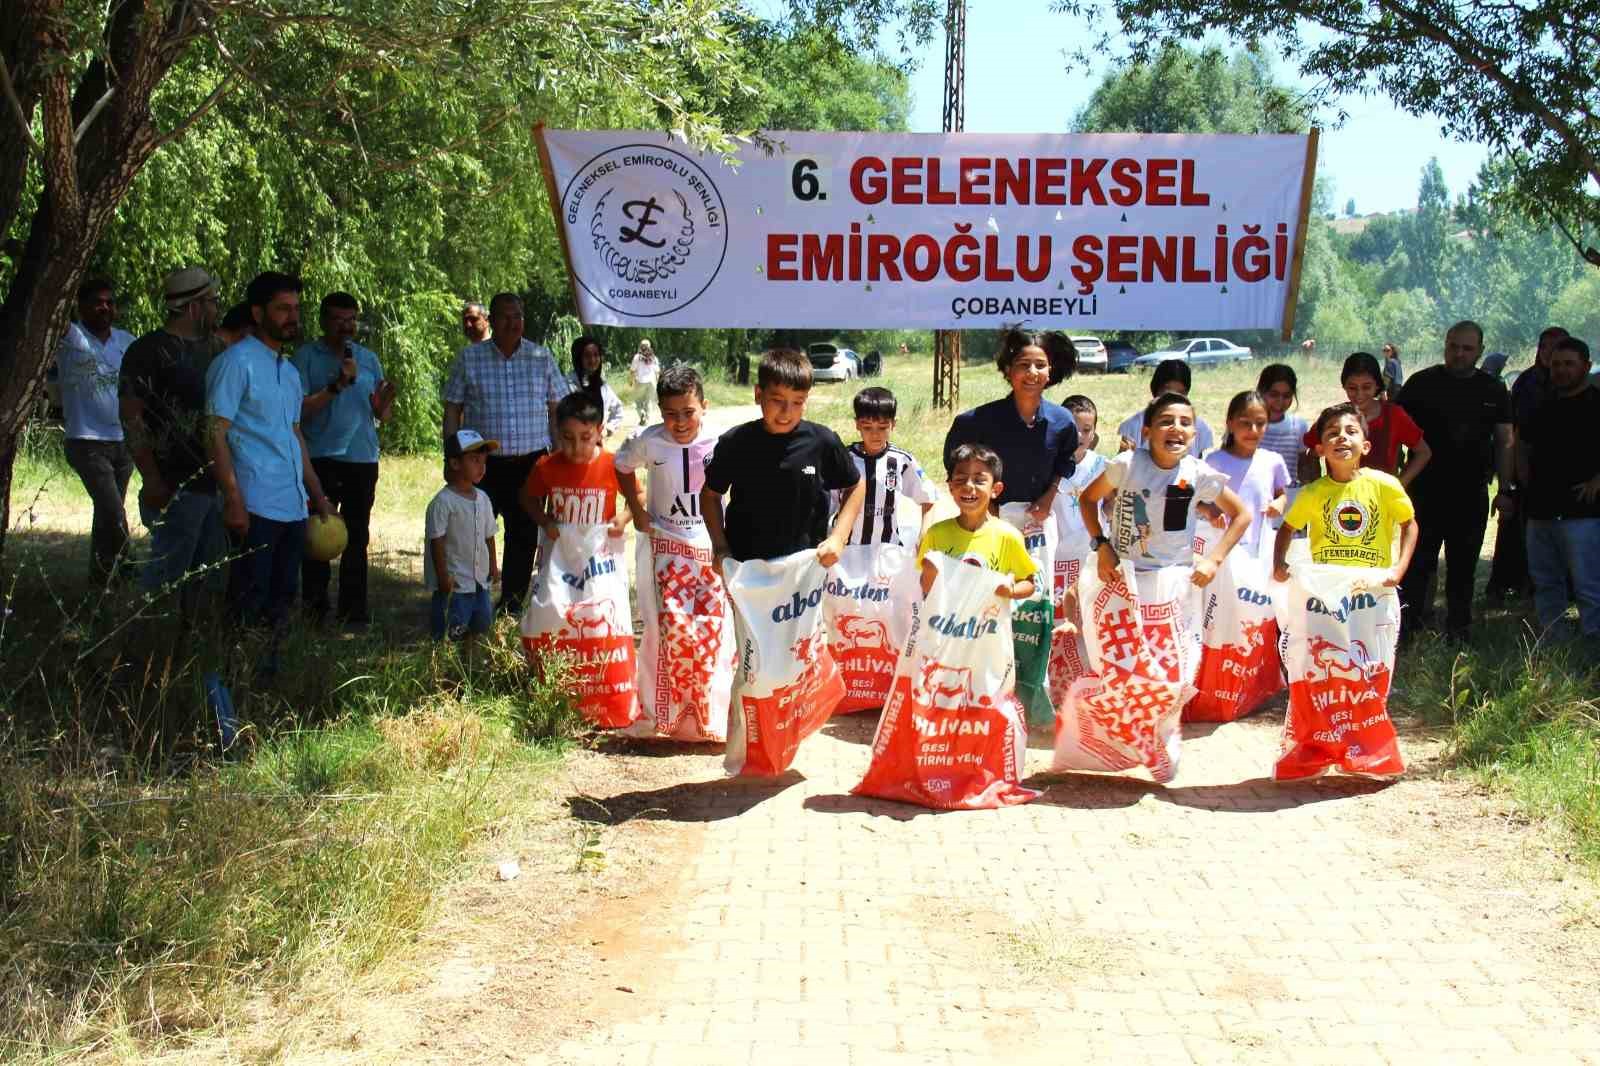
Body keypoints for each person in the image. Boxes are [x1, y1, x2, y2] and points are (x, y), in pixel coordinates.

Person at [206, 271, 333, 634]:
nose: (292, 316)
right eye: (282, 309)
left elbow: (295, 438)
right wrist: (233, 498)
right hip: (254, 505)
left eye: (295, 308)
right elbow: (214, 433)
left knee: (281, 605)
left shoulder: (289, 372)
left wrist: (317, 496)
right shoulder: (236, 363)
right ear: (258, 314)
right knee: (247, 603)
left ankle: (268, 682)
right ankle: (238, 681)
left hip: (292, 507)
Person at [442, 292, 570, 616]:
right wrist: (452, 456)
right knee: (473, 530)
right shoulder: (469, 359)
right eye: (505, 316)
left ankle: (511, 605)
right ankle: (471, 600)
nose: (513, 323)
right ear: (491, 320)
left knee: (523, 535)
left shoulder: (541, 357)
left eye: (518, 316)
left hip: (531, 462)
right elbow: (452, 410)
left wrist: (559, 458)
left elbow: (557, 410)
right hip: (481, 463)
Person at [1396, 320, 1513, 641]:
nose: (1459, 353)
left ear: (1480, 351)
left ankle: (1459, 631)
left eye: (1467, 348)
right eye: (1453, 346)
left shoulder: (1493, 389)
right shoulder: (1421, 384)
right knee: (1417, 565)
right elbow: (1394, 432)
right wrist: (1392, 482)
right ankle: (1406, 630)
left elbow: (1505, 441)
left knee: (1463, 569)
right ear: (1445, 344)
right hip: (1423, 494)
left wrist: (1505, 489)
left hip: (1471, 494)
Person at [119, 267, 226, 616]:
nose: (217, 309)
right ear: (194, 306)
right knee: (165, 582)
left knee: (209, 584)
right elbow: (132, 418)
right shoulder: (146, 351)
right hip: (175, 486)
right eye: (212, 302)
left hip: (217, 484)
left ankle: (191, 657)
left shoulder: (218, 349)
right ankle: (147, 657)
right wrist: (151, 478)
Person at [701, 348, 865, 570]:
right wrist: (720, 547)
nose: (787, 412)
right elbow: (710, 495)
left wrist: (839, 537)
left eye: (798, 402)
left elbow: (856, 485)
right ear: (759, 394)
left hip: (806, 566)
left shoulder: (822, 441)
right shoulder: (735, 442)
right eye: (778, 400)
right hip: (746, 567)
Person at [291, 292, 396, 627]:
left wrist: (382, 408)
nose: (346, 327)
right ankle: (314, 611)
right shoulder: (305, 357)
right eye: (338, 319)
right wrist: (336, 385)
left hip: (361, 458)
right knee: (316, 536)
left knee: (356, 536)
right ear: (323, 321)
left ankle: (354, 612)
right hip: (319, 458)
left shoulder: (368, 358)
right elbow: (297, 411)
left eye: (351, 319)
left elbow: (381, 413)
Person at [1079, 393, 1250, 587]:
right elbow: (1087, 499)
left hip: (1173, 582)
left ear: (1194, 435)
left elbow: (1242, 515)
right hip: (1122, 576)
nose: (1176, 427)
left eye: (1185, 422)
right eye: (1166, 421)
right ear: (1146, 432)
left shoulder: (1197, 474)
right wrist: (1101, 545)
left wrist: (1214, 561)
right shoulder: (1127, 465)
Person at [1273, 402, 1418, 588]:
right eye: (1333, 433)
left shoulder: (1385, 485)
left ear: (1366, 446)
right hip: (1327, 589)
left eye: (1351, 431)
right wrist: (1279, 563)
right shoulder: (1312, 493)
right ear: (1320, 450)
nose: (1342, 437)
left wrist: (1399, 569)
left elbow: (1409, 524)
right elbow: (1287, 528)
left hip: (1373, 590)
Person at [943, 328, 1077, 519]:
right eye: (1023, 364)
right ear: (1008, 369)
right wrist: (986, 506)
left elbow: (1065, 464)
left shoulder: (1062, 421)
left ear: (1049, 371)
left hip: (1040, 522)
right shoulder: (974, 422)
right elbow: (955, 468)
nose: (1032, 372)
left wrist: (1048, 498)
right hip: (987, 521)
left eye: (1040, 365)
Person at [53, 277, 136, 583]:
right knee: (113, 512)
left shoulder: (126, 341)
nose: (104, 307)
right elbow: (54, 314)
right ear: (81, 306)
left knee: (106, 515)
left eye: (109, 302)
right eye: (97, 302)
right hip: (85, 440)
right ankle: (131, 567)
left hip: (122, 442)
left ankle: (99, 585)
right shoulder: (71, 337)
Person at [1519, 337, 1600, 641]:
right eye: (1556, 364)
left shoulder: (1597, 403)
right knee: (1546, 582)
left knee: (1589, 584)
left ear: (1586, 367)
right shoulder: (1541, 404)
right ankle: (1555, 640)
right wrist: (1524, 482)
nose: (1562, 370)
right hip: (1540, 511)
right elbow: (1521, 445)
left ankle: (1594, 642)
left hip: (1584, 514)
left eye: (1569, 364)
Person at [1492, 325, 1570, 603]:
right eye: (1547, 346)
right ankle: (1515, 585)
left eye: (1559, 346)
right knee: (1518, 530)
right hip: (1527, 466)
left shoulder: (1573, 381)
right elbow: (1513, 431)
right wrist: (1512, 474)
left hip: (1566, 469)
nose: (1551, 353)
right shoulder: (1527, 382)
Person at [918, 444, 1039, 601]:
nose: (968, 486)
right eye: (960, 479)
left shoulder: (1008, 536)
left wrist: (1011, 591)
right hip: (945, 624)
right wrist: (930, 572)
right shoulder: (936, 534)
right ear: (951, 487)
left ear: (995, 489)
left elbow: (1028, 584)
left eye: (979, 480)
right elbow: (925, 587)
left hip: (989, 623)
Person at [617, 365, 717, 539]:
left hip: (707, 540)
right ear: (661, 410)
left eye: (688, 412)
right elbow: (622, 466)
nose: (680, 422)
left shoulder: (719, 441)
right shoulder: (647, 440)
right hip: (663, 538)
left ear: (704, 406)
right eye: (671, 413)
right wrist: (636, 509)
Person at [1303, 353, 1431, 486]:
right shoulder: (1333, 418)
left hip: (1381, 499)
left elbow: (1423, 452)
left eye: (1366, 387)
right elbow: (1310, 454)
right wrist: (1317, 487)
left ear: (1377, 385)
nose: (1359, 394)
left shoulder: (1393, 415)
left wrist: (1399, 484)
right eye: (1352, 388)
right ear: (1344, 385)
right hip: (1340, 500)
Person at [522, 391, 630, 544]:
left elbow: (638, 495)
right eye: (568, 437)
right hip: (560, 554)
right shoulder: (546, 466)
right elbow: (527, 497)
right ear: (558, 432)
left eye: (585, 437)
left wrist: (624, 517)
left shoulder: (613, 465)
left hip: (599, 555)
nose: (576, 446)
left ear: (599, 432)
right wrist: (545, 522)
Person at [839, 386, 937, 548]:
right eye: (867, 427)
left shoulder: (901, 461)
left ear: (893, 424)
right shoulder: (844, 459)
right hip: (847, 553)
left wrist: (924, 535)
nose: (875, 434)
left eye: (883, 427)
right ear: (857, 424)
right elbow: (826, 503)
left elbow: (929, 498)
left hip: (887, 552)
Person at [426, 429, 499, 645]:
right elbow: (436, 541)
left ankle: (469, 665)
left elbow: (489, 535)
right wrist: (442, 577)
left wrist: (493, 566)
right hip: (454, 584)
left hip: (479, 581)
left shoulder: (483, 498)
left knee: (481, 625)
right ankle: (445, 671)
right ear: (455, 464)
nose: (481, 466)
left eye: (484, 460)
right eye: (474, 460)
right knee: (451, 632)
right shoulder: (443, 502)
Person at [1207, 391, 1290, 560]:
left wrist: (1279, 503)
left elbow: (1282, 495)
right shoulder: (1214, 461)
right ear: (1230, 424)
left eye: (1260, 423)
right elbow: (1198, 500)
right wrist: (1210, 512)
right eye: (1245, 423)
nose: (1253, 430)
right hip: (1222, 545)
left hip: (1260, 546)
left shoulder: (1273, 461)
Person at [1117, 359, 1216, 456]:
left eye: (1180, 393)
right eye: (1166, 392)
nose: (1172, 399)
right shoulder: (1133, 426)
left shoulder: (1199, 427)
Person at [1256, 364, 1310, 507]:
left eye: (1286, 396)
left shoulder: (1299, 426)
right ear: (1261, 392)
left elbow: (1303, 465)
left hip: (1287, 500)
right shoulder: (1248, 425)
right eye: (1274, 395)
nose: (1280, 401)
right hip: (1254, 496)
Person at [568, 335, 624, 438]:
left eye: (596, 355)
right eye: (587, 355)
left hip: (597, 446)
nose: (593, 360)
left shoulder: (602, 386)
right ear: (578, 358)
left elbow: (618, 409)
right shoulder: (567, 385)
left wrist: (608, 430)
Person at [629, 339, 660, 425]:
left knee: (638, 401)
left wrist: (631, 381)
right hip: (652, 382)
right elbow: (657, 372)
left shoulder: (637, 357)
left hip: (641, 382)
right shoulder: (654, 358)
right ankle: (647, 421)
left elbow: (632, 371)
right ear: (650, 347)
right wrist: (658, 383)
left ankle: (642, 414)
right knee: (649, 402)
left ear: (640, 346)